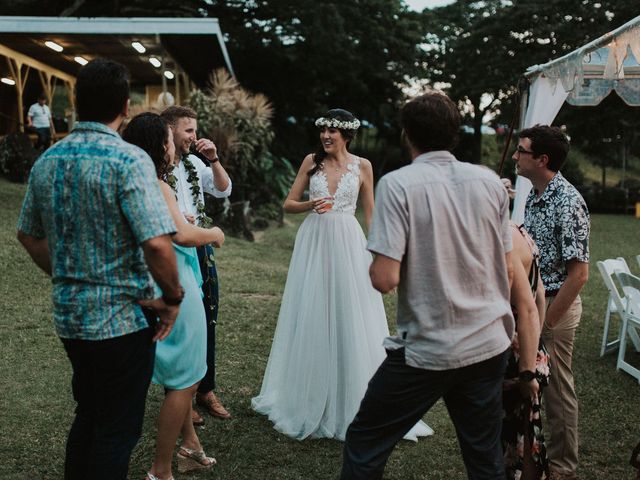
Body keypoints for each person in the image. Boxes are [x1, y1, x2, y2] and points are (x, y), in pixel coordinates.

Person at [16, 59, 182, 480]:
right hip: (121, 321)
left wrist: (70, 271)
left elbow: (29, 236)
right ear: (125, 106)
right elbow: (157, 244)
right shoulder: (128, 161)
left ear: (75, 101)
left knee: (88, 414)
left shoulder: (48, 160)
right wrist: (173, 299)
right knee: (117, 428)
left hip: (71, 318)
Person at [341, 92, 514, 480]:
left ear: (407, 134)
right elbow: (508, 268)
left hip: (429, 348)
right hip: (489, 343)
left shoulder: (399, 184)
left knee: (366, 441)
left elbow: (384, 279)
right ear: (455, 133)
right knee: (485, 456)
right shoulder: (489, 182)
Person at [251, 108, 432, 442]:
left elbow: (372, 212)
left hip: (349, 241)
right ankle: (309, 392)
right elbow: (288, 203)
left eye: (333, 131)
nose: (326, 136)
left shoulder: (363, 166)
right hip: (315, 240)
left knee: (352, 310)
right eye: (323, 130)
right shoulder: (311, 161)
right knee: (313, 307)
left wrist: (383, 252)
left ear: (347, 135)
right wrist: (310, 204)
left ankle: (354, 396)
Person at [122, 112, 225, 480]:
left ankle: (190, 445)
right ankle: (161, 470)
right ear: (158, 145)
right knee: (186, 379)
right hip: (176, 284)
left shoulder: (131, 182)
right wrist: (213, 233)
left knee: (182, 373)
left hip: (150, 284)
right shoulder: (160, 185)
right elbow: (181, 235)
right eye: (168, 139)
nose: (172, 145)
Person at [513, 125, 590, 480]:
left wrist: (544, 324)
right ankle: (530, 460)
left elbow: (579, 275)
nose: (514, 155)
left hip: (557, 307)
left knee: (557, 392)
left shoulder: (568, 201)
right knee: (529, 388)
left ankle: (563, 470)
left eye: (521, 150)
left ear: (541, 160)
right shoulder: (533, 194)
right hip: (534, 304)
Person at [161, 105, 233, 423]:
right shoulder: (159, 168)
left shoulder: (194, 163)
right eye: (188, 129)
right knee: (180, 323)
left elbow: (223, 188)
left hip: (200, 249)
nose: (194, 135)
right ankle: (181, 396)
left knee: (208, 317)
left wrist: (214, 159)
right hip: (173, 250)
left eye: (194, 129)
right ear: (170, 129)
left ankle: (205, 389)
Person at [502, 220, 550, 480]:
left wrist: (526, 365)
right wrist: (536, 345)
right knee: (528, 431)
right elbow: (539, 294)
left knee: (516, 439)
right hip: (533, 349)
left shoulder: (501, 240)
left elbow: (525, 308)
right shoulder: (519, 231)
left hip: (515, 359)